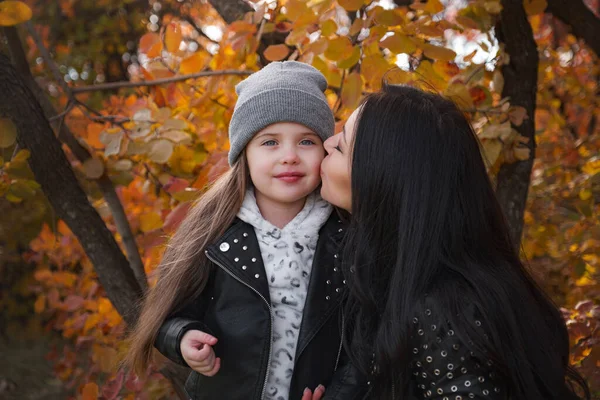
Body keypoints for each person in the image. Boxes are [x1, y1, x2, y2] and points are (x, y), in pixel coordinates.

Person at [317, 83, 591, 399]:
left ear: (382, 179)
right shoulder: (390, 275)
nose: (327, 142)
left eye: (342, 146)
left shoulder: (446, 312)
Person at [124, 61, 362, 400]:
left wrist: (341, 393)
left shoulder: (347, 235)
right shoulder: (214, 232)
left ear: (325, 149)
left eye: (306, 141)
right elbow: (169, 314)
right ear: (243, 154)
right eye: (269, 143)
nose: (289, 156)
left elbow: (368, 338)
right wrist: (183, 337)